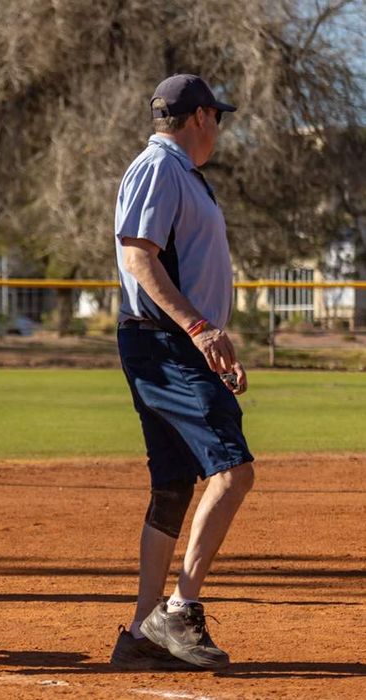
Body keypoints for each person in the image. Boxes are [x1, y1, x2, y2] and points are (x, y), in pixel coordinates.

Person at [109, 74, 255, 671]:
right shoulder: (159, 167)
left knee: (173, 484)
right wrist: (198, 328)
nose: (218, 126)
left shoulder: (182, 176)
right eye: (215, 116)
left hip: (176, 344)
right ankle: (178, 607)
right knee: (233, 470)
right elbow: (137, 253)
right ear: (198, 117)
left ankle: (142, 632)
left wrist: (211, 335)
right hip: (165, 343)